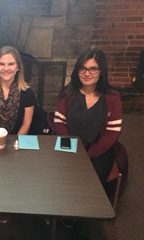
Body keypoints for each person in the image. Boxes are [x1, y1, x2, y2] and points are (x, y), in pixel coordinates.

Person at [53, 47, 123, 187]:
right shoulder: (68, 93)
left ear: (101, 71)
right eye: (83, 68)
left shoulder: (112, 98)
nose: (87, 73)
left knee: (90, 185)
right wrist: (73, 149)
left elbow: (112, 134)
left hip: (98, 151)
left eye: (93, 69)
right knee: (59, 180)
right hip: (70, 146)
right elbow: (59, 124)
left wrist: (88, 155)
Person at [0, 45, 36, 135]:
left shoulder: (27, 93)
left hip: (17, 141)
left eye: (11, 64)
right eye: (1, 64)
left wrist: (15, 144)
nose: (6, 69)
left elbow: (26, 124)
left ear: (18, 67)